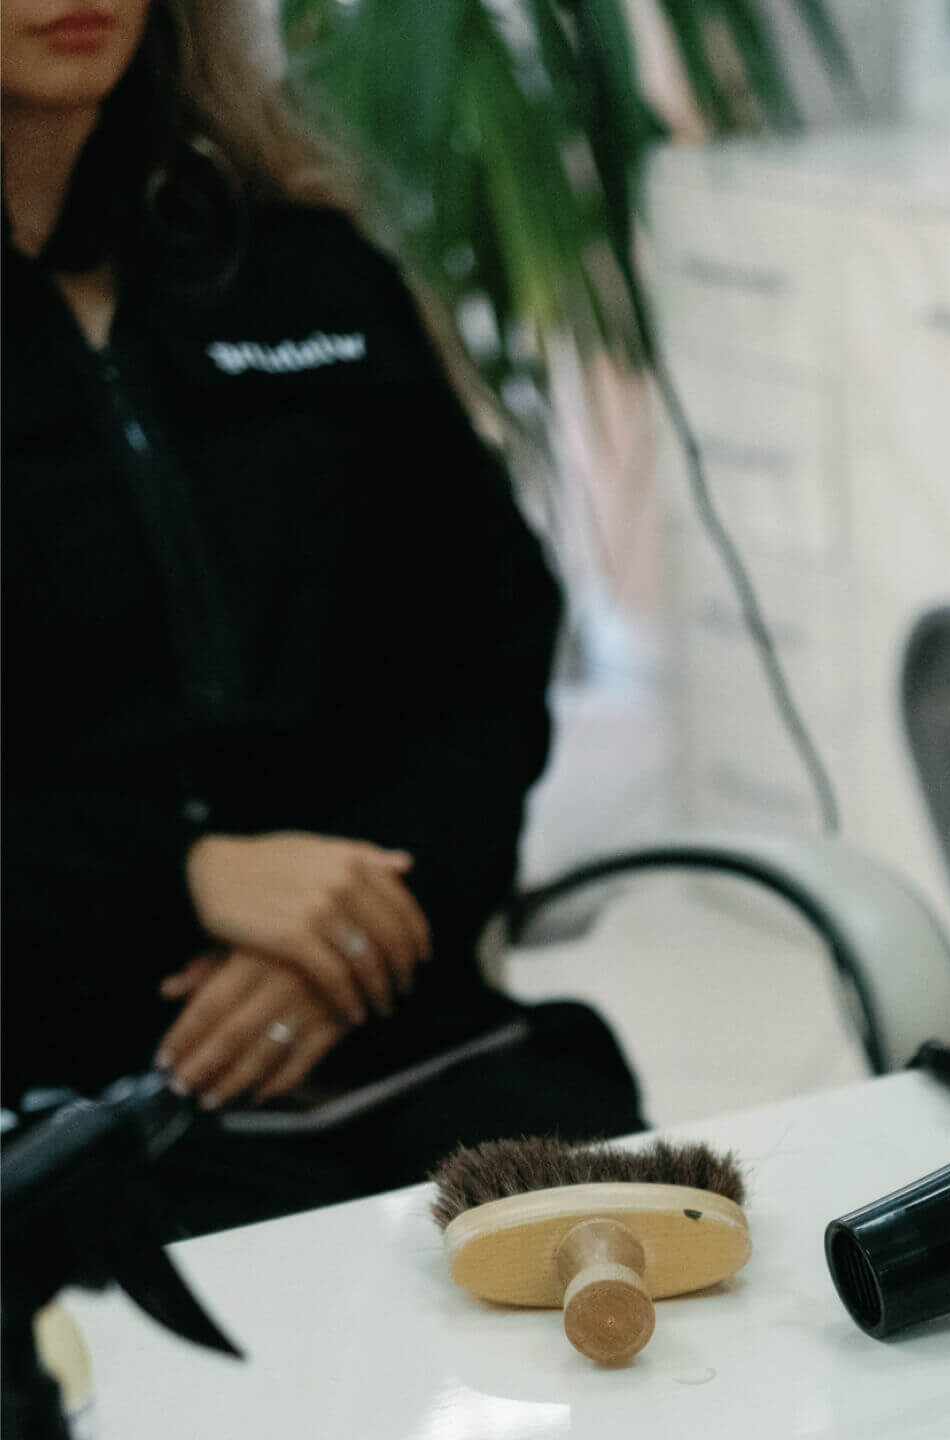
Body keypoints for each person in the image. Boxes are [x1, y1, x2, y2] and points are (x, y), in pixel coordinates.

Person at [2, 0, 641, 1235]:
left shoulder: (301, 269)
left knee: (636, 1294)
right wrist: (177, 873)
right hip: (61, 1098)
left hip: (402, 1050)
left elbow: (486, 654)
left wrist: (341, 939)